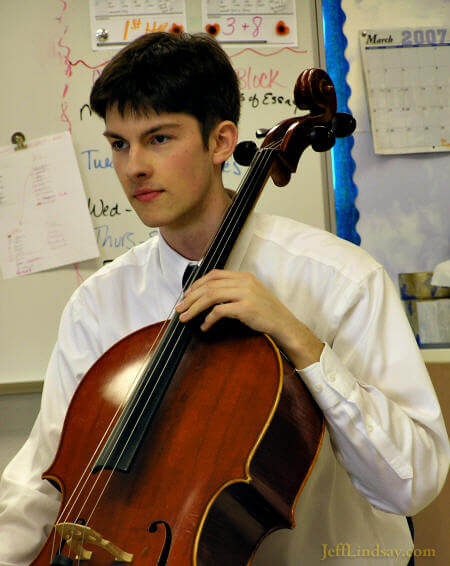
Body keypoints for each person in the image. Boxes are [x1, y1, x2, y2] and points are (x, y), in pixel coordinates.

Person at [0, 32, 448, 566]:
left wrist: (300, 342)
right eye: (119, 143)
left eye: (159, 138)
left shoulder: (341, 279)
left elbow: (411, 484)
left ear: (220, 142)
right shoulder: (100, 303)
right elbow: (45, 474)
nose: (134, 166)